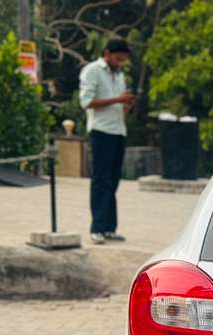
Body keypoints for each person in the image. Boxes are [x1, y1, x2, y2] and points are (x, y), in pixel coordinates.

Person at [79, 38, 135, 244]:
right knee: (101, 180)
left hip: (119, 130)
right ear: (107, 54)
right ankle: (97, 228)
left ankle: (109, 227)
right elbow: (86, 102)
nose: (120, 64)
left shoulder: (119, 75)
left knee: (113, 180)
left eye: (123, 61)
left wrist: (127, 104)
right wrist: (118, 99)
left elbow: (119, 105)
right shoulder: (92, 71)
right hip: (101, 131)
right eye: (118, 59)